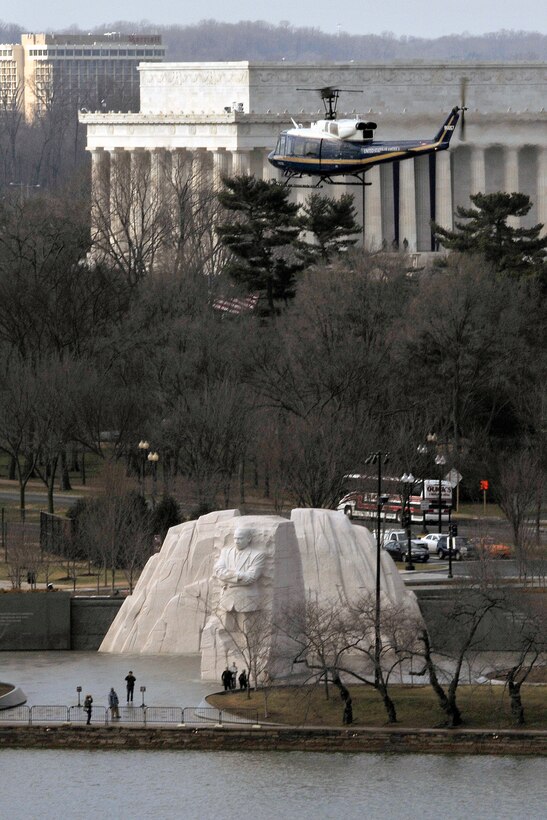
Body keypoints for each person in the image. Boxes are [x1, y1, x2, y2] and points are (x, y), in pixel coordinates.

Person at [213, 527, 266, 634]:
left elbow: (251, 577)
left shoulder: (257, 555)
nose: (237, 541)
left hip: (246, 599)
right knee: (224, 631)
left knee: (248, 633)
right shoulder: (226, 552)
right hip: (226, 599)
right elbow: (218, 571)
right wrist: (239, 576)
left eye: (240, 538)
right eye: (235, 538)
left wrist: (228, 576)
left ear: (249, 539)